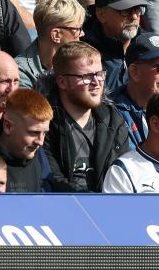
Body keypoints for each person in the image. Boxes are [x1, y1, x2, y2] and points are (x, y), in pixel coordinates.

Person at [40, 39, 130, 191]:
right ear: (62, 82)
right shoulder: (43, 123)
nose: (96, 82)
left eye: (100, 74)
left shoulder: (114, 121)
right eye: (87, 76)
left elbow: (123, 176)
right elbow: (52, 180)